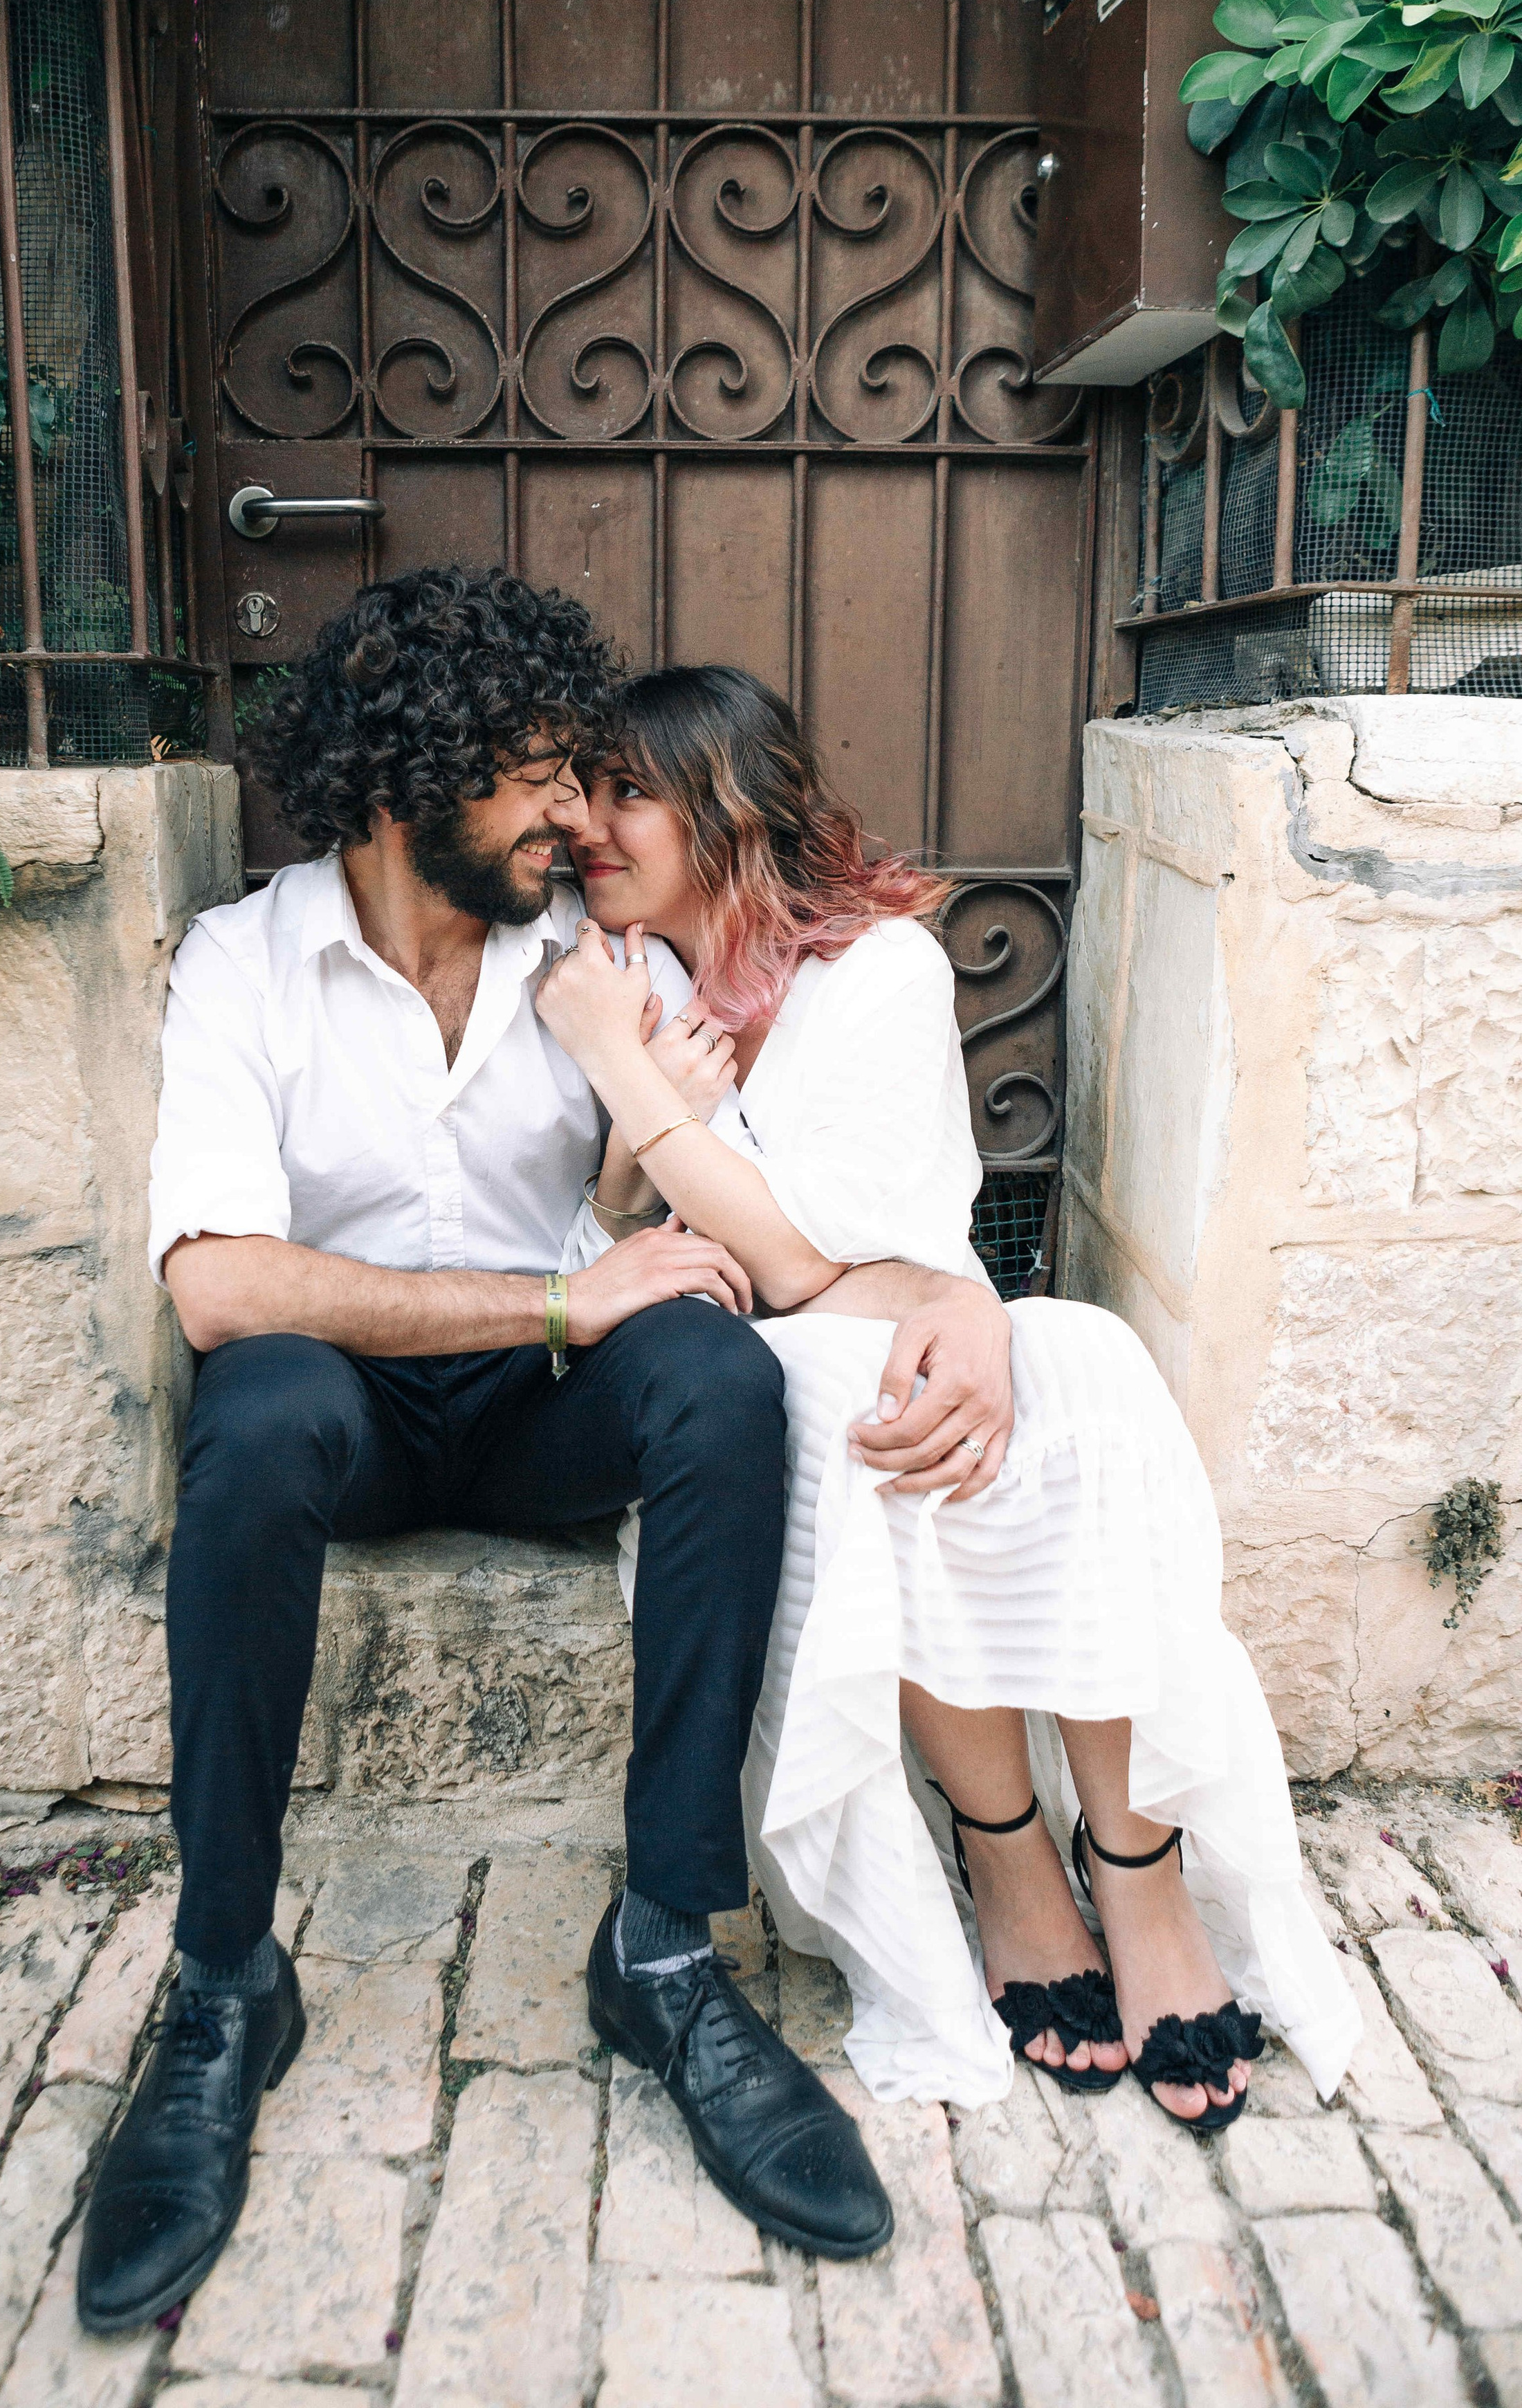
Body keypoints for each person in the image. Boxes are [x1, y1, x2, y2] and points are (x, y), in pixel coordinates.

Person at [75, 576, 892, 2340]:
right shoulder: (244, 963)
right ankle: (224, 1980)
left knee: (716, 1377)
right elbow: (217, 1281)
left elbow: (718, 1229)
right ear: (398, 781)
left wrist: (625, 1204)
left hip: (540, 1422)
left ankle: (663, 1946)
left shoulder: (598, 970)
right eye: (530, 776)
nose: (574, 816)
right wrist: (553, 1292)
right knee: (267, 1400)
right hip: (359, 1422)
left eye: (577, 773)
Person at [535, 662, 1361, 2132]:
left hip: (882, 1314)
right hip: (772, 1376)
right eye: (584, 794)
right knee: (880, 1416)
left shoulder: (880, 972)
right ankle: (1006, 1858)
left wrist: (956, 1299)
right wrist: (627, 1102)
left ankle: (1138, 1871)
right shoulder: (635, 989)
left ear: (727, 805)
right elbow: (699, 1263)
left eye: (626, 792)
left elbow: (807, 1246)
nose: (588, 825)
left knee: (1088, 1372)